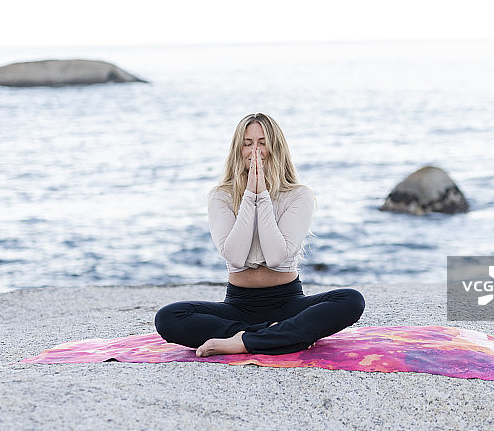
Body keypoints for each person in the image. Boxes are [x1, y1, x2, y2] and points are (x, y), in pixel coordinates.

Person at [154, 113, 365, 356]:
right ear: (238, 149)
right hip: (238, 305)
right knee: (168, 317)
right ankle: (278, 336)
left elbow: (275, 257)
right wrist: (249, 196)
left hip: (289, 302)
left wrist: (262, 195)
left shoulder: (298, 195)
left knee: (351, 300)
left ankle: (242, 342)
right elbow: (235, 257)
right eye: (248, 143)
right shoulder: (221, 196)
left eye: (263, 142)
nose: (255, 150)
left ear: (276, 148)